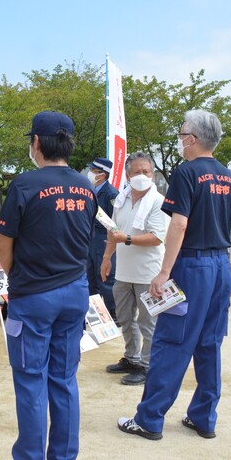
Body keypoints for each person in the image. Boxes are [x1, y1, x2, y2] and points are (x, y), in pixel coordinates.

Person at [117, 109, 231, 441]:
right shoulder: (228, 176)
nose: (179, 141)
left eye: (180, 135)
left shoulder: (186, 173)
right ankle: (204, 417)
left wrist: (164, 272)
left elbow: (179, 223)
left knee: (171, 342)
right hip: (220, 265)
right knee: (209, 344)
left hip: (192, 267)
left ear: (191, 138)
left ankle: (149, 419)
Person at [0, 110, 97, 459]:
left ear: (36, 142)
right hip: (75, 292)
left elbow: (3, 244)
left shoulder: (25, 184)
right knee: (64, 378)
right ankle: (64, 455)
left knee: (30, 379)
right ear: (68, 143)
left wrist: (17, 278)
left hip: (34, 297)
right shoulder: (87, 186)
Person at [100, 152, 169, 385]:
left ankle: (148, 366)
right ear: (127, 175)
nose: (141, 176)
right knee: (125, 317)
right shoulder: (121, 199)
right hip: (123, 271)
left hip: (148, 273)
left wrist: (125, 239)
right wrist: (107, 257)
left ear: (152, 175)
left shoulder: (158, 202)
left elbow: (157, 238)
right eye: (137, 172)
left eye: (146, 172)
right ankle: (131, 357)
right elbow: (113, 231)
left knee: (148, 323)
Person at [86, 157, 120, 322]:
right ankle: (94, 312)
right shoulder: (90, 190)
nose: (90, 173)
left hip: (104, 239)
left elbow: (115, 223)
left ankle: (114, 312)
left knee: (106, 276)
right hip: (90, 239)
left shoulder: (111, 193)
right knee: (90, 274)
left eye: (93, 171)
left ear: (102, 174)